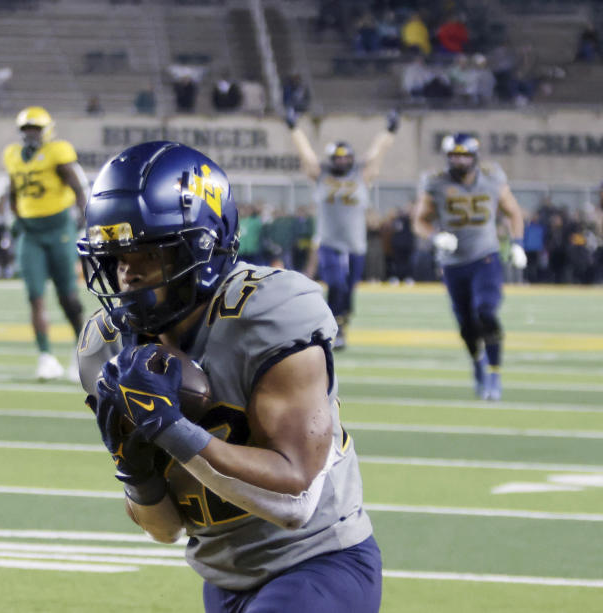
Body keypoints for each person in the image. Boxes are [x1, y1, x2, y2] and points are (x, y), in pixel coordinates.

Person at [76, 141, 380, 613]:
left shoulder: (271, 312)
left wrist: (171, 430)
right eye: (116, 259)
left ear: (202, 246)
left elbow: (295, 500)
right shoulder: (106, 346)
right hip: (221, 579)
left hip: (319, 563)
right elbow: (165, 529)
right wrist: (133, 468)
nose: (126, 277)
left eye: (146, 255)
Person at [412, 133, 526, 401]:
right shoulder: (437, 182)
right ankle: (477, 363)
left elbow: (513, 212)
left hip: (485, 257)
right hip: (453, 264)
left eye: (463, 155)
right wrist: (434, 236)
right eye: (454, 155)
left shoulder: (492, 177)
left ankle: (494, 373)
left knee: (486, 312)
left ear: (474, 157)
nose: (458, 160)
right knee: (466, 326)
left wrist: (517, 243)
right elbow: (419, 220)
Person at [285, 106, 398, 349]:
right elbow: (306, 155)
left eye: (345, 157)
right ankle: (329, 325)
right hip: (328, 242)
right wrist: (294, 129)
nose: (342, 161)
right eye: (338, 158)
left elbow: (378, 153)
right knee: (335, 283)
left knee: (348, 290)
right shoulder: (321, 176)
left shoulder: (361, 176)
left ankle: (341, 326)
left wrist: (389, 131)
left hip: (356, 244)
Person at [2, 106, 88, 381]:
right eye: (26, 129)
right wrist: (15, 216)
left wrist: (83, 217)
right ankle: (45, 356)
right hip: (30, 232)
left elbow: (77, 187)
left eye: (35, 129)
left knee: (68, 298)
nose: (30, 134)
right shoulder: (13, 155)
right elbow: (14, 190)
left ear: (47, 130)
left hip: (59, 227)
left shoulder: (57, 152)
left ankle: (83, 352)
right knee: (35, 296)